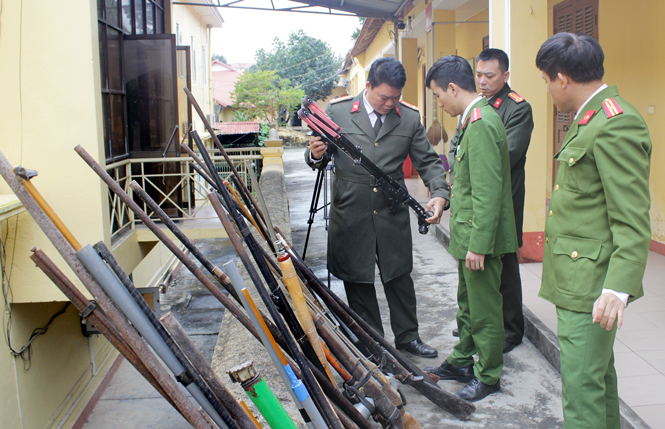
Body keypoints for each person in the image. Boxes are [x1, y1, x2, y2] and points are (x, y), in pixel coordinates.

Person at [536, 33, 651, 428]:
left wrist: (617, 288)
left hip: (591, 285)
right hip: (577, 277)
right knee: (597, 378)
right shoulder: (590, 117)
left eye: (547, 81)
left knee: (582, 388)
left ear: (562, 79)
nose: (548, 90)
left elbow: (632, 217)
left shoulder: (614, 123)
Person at [305, 57, 449, 358]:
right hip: (351, 209)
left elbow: (429, 162)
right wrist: (315, 154)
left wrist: (439, 192)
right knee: (357, 278)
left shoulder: (408, 118)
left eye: (396, 97)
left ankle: (408, 337)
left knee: (398, 276)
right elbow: (320, 157)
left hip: (391, 210)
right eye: (385, 97)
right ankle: (373, 343)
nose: (390, 103)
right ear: (368, 86)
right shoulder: (339, 111)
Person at [423, 55, 517, 402]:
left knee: (484, 308)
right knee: (468, 303)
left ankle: (488, 374)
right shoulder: (471, 120)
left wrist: (478, 244)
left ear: (451, 88)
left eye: (437, 95)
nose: (438, 102)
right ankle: (463, 359)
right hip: (469, 233)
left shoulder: (479, 123)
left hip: (481, 239)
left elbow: (488, 191)